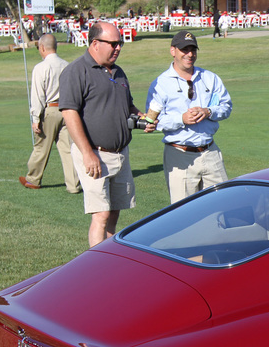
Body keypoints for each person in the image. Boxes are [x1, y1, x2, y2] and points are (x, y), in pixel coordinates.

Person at [59, 20, 143, 247]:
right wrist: (87, 153)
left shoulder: (118, 71)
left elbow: (128, 106)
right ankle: (95, 267)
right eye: (113, 43)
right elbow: (69, 113)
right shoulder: (75, 71)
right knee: (101, 214)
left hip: (120, 154)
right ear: (95, 43)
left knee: (115, 212)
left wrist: (141, 118)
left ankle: (109, 260)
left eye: (120, 43)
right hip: (94, 154)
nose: (118, 48)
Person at [145, 30, 232, 204]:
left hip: (210, 152)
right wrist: (181, 119)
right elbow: (153, 121)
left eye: (193, 49)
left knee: (223, 206)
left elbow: (226, 107)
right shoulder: (161, 83)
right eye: (184, 49)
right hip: (180, 154)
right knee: (183, 214)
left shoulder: (210, 78)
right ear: (173, 51)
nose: (190, 54)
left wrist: (209, 112)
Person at [21, 34, 79, 193]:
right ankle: (74, 184)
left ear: (42, 48)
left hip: (50, 110)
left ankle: (33, 179)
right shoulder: (68, 66)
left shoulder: (41, 68)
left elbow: (38, 95)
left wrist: (35, 118)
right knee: (68, 149)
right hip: (68, 110)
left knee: (41, 147)